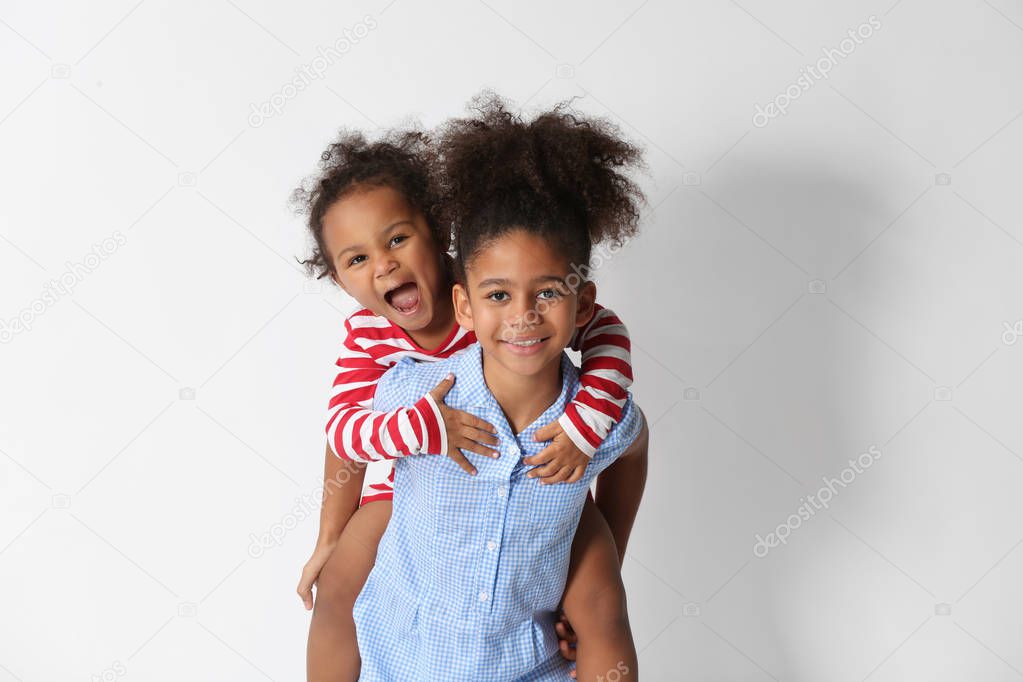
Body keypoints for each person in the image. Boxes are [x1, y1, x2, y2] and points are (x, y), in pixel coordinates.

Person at [293, 118, 644, 680]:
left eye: (398, 239)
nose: (383, 265)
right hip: (410, 480)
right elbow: (346, 433)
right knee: (341, 584)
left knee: (600, 597)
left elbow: (607, 340)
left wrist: (589, 422)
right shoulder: (377, 337)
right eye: (356, 259)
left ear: (438, 235)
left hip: (547, 476)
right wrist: (331, 533)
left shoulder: (507, 289)